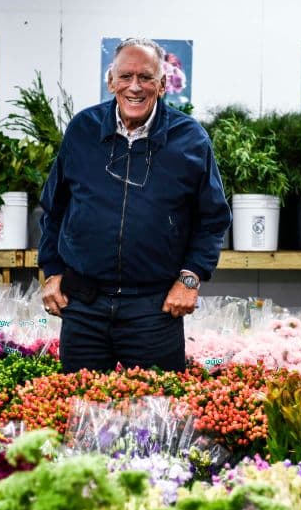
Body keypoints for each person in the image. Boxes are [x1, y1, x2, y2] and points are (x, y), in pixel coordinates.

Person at [38, 37, 231, 373]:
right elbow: (54, 208)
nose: (135, 87)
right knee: (79, 410)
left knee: (158, 415)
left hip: (154, 308)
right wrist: (51, 270)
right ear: (111, 81)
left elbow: (212, 218)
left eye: (146, 77)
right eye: (126, 77)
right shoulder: (83, 129)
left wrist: (190, 278)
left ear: (163, 83)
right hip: (84, 304)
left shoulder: (190, 139)